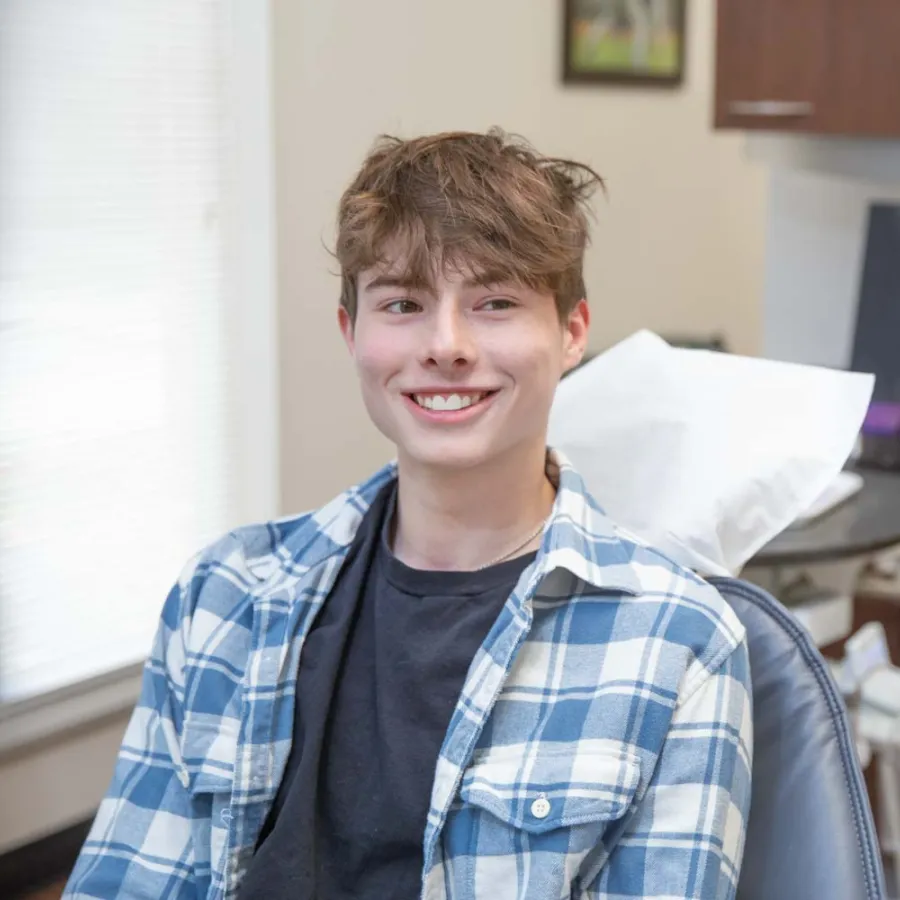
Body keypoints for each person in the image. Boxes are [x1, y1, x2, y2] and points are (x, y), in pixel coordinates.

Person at [64, 129, 752, 900]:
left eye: (495, 302)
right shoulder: (224, 595)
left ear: (572, 333)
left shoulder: (677, 641)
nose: (447, 345)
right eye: (403, 303)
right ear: (351, 331)